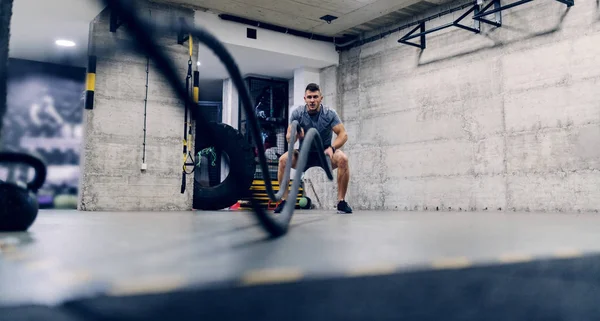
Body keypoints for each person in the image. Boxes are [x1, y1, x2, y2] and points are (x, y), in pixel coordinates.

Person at [274, 83, 352, 214]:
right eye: (309, 97)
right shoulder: (297, 114)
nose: (312, 100)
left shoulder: (329, 114)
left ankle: (341, 202)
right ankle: (285, 201)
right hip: (303, 154)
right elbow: (288, 137)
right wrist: (295, 135)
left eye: (315, 97)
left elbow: (343, 134)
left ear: (321, 98)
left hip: (325, 154)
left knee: (343, 159)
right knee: (283, 160)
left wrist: (332, 148)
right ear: (305, 98)